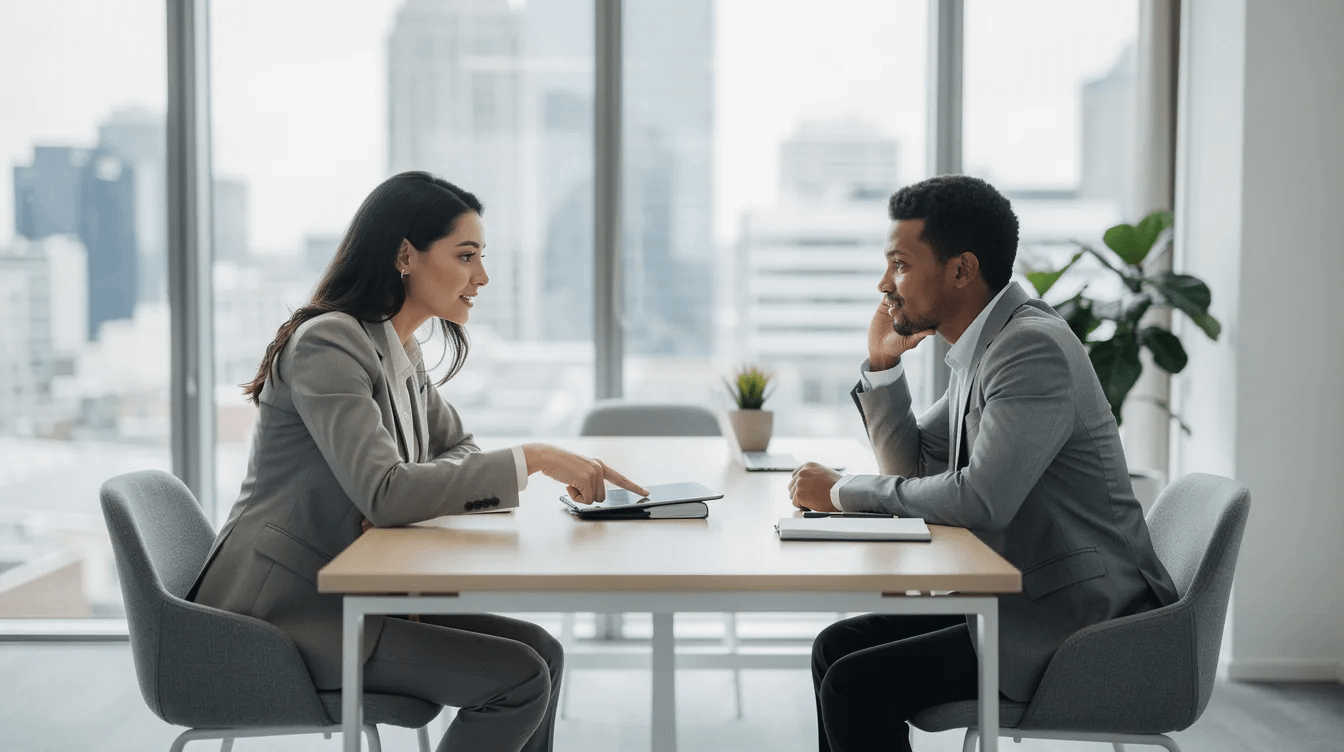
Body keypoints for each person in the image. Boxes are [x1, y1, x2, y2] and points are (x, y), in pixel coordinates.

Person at [188, 171, 648, 752]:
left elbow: (458, 449)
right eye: (466, 256)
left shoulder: (399, 348)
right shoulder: (330, 343)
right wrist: (533, 458)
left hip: (357, 597)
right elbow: (387, 492)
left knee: (543, 653)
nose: (482, 277)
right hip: (282, 616)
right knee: (520, 680)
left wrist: (404, 494)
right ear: (406, 255)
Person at [789, 175, 1179, 752]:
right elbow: (915, 470)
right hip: (1024, 597)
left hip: (1078, 621)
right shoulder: (989, 346)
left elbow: (981, 499)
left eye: (900, 264)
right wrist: (884, 365)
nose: (884, 283)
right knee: (835, 648)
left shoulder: (1029, 349)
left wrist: (842, 491)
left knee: (854, 685)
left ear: (962, 270)